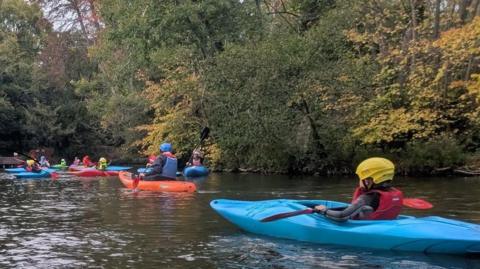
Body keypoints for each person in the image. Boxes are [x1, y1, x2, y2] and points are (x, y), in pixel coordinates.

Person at [313, 157, 403, 222]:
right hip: (386, 225)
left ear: (368, 180)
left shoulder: (367, 198)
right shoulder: (393, 193)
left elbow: (341, 216)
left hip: (367, 230)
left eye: (361, 178)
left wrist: (323, 210)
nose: (360, 181)